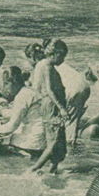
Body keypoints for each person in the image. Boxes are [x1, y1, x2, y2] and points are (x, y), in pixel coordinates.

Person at [29, 39, 69, 174]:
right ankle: (34, 168)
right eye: (62, 56)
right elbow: (50, 90)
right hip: (52, 106)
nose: (63, 60)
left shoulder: (41, 64)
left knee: (58, 141)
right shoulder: (47, 67)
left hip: (49, 105)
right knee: (54, 141)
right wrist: (62, 108)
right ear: (55, 53)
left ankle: (53, 169)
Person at [0, 66, 46, 157]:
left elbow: (12, 126)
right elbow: (19, 113)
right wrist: (0, 111)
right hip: (41, 138)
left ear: (14, 82)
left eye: (6, 84)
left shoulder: (21, 96)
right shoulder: (29, 91)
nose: (5, 89)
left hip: (33, 143)